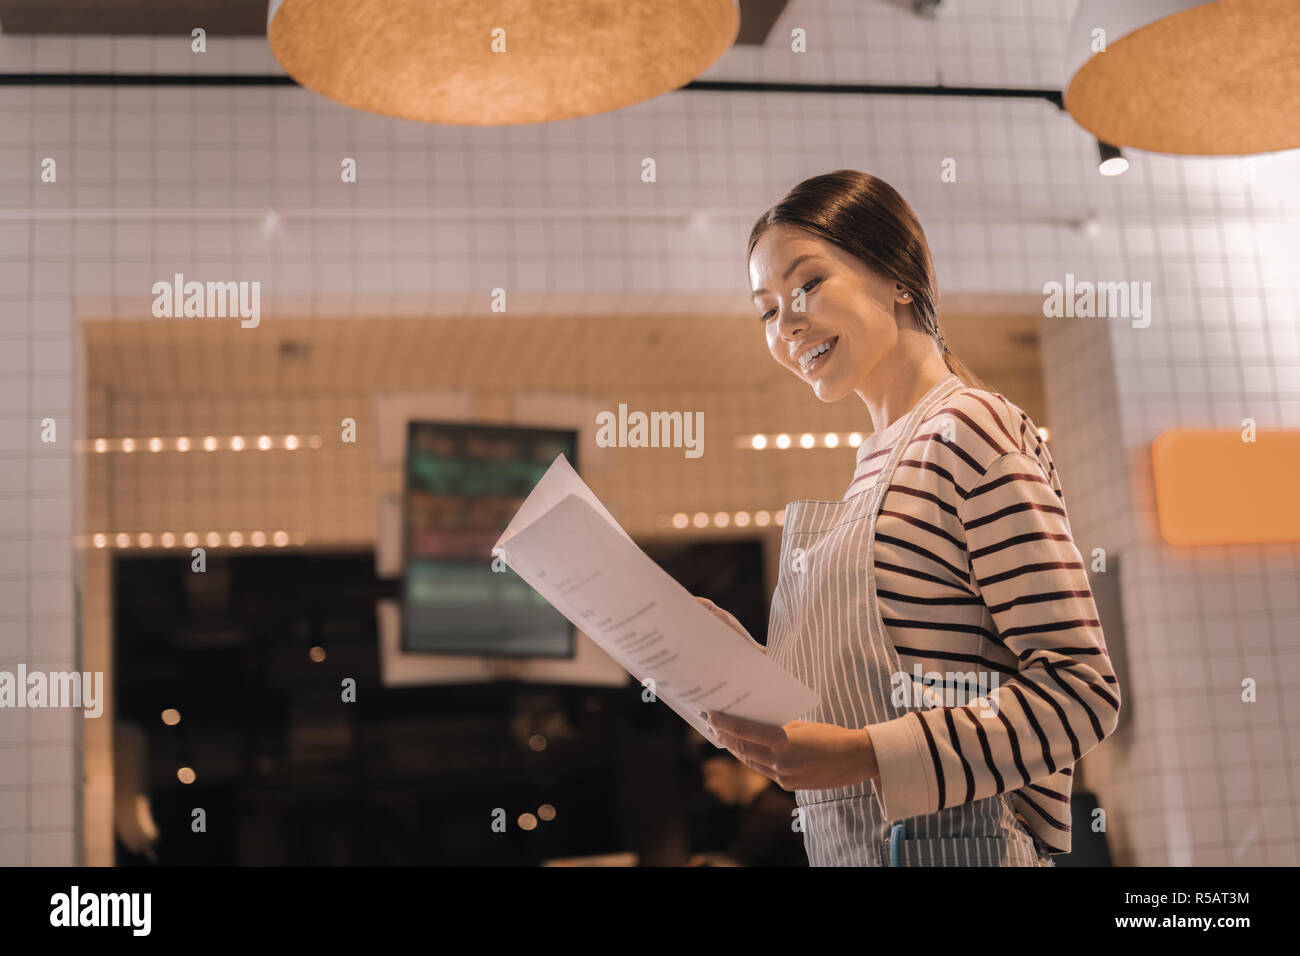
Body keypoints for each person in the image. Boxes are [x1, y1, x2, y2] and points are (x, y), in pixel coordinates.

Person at [695, 170, 1121, 867]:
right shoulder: (874, 465)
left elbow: (1081, 692)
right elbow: (889, 687)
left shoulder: (969, 428)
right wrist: (746, 676)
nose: (787, 325)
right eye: (766, 310)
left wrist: (866, 754)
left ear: (898, 277)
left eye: (807, 284)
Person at [687, 743, 807, 867]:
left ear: (742, 762)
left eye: (714, 773)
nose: (709, 785)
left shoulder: (769, 813)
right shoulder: (760, 806)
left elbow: (738, 862)